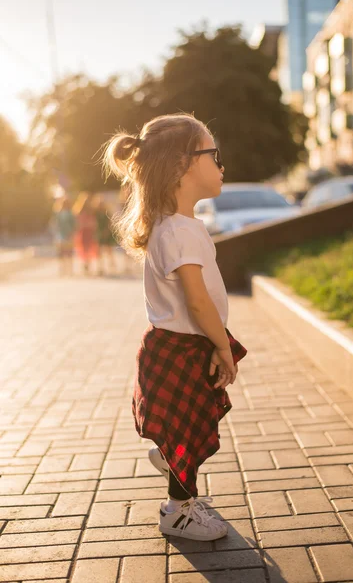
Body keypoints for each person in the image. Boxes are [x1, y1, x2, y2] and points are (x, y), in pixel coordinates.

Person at [102, 114, 247, 542]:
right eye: (213, 155)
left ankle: (172, 456)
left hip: (177, 346)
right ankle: (178, 511)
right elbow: (198, 301)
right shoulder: (179, 232)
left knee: (189, 427)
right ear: (183, 165)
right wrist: (222, 347)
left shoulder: (175, 226)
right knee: (190, 428)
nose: (221, 165)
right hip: (184, 348)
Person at [72, 192, 98, 275]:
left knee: (89, 248)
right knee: (84, 249)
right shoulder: (79, 211)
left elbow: (94, 222)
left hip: (88, 232)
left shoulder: (92, 211)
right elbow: (77, 222)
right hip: (84, 232)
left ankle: (87, 264)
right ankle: (86, 264)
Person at [91, 194, 117, 276]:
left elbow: (109, 222)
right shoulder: (95, 213)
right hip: (99, 232)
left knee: (108, 250)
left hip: (106, 232)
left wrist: (107, 231)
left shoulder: (106, 213)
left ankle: (111, 265)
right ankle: (100, 267)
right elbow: (93, 223)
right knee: (99, 251)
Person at [50, 196, 76, 276]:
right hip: (63, 235)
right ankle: (66, 269)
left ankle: (65, 269)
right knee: (65, 253)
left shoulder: (66, 214)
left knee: (65, 253)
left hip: (64, 235)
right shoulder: (62, 214)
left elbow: (73, 225)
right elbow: (55, 224)